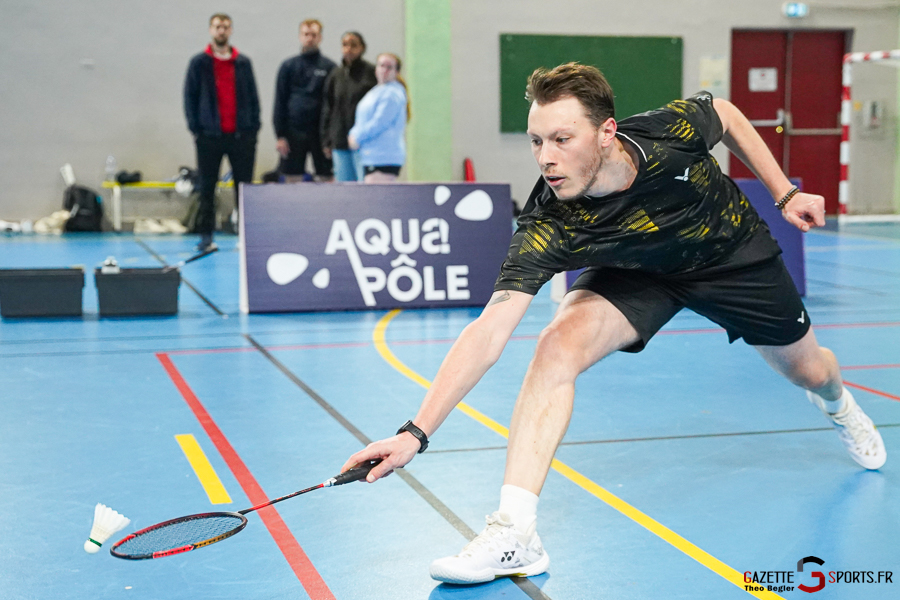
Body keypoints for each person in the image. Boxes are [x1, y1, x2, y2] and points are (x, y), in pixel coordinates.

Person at [342, 63, 887, 584]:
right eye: (536, 141)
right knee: (555, 346)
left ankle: (840, 405)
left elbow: (728, 113)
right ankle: (516, 533)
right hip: (638, 271)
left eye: (562, 139)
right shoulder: (550, 221)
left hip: (728, 254)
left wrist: (784, 193)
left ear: (606, 132)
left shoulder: (667, 132)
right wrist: (416, 432)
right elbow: (490, 329)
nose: (546, 158)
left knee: (810, 372)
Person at [184, 13, 260, 251]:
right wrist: (197, 129)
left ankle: (245, 236)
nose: (222, 31)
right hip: (209, 137)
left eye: (226, 27)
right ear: (211, 30)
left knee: (244, 188)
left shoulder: (243, 63)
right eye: (218, 27)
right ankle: (206, 237)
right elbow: (190, 97)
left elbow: (253, 98)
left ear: (231, 30)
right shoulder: (199, 63)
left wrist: (252, 129)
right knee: (207, 187)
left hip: (241, 137)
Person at [273, 19, 336, 182]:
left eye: (314, 35)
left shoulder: (330, 67)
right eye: (306, 34)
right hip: (294, 132)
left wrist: (330, 137)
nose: (310, 38)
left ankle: (327, 208)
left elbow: (333, 104)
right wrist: (280, 135)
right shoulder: (288, 66)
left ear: (320, 38)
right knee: (292, 177)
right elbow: (280, 101)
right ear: (300, 36)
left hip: (320, 133)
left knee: (326, 176)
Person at [320, 32, 376, 181]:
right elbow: (328, 107)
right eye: (345, 45)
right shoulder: (336, 75)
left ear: (362, 48)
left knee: (364, 185)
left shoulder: (371, 73)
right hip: (340, 140)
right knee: (345, 188)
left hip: (363, 142)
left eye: (353, 45)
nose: (349, 49)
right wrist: (326, 139)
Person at [348, 53, 409, 183]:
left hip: (384, 157)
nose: (384, 70)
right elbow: (361, 119)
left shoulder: (392, 94)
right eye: (381, 65)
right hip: (369, 155)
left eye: (389, 67)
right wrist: (352, 134)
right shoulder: (375, 91)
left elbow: (379, 123)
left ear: (396, 72)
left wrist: (357, 137)